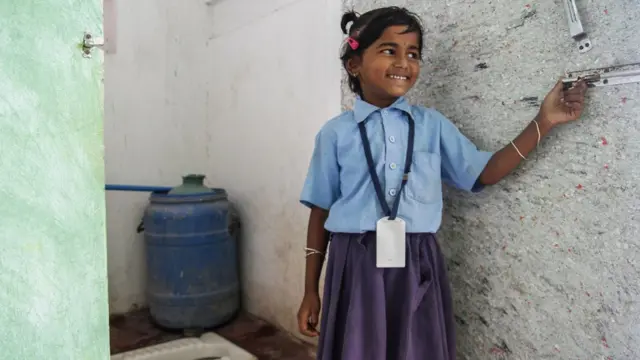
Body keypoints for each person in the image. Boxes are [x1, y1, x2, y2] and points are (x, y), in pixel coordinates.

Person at [296, 6, 588, 360]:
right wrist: (311, 290)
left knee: (416, 349)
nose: (404, 62)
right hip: (354, 263)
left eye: (413, 53)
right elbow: (320, 210)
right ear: (354, 64)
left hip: (417, 261)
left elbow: (485, 172)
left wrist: (544, 121)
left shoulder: (431, 126)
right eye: (389, 50)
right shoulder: (334, 134)